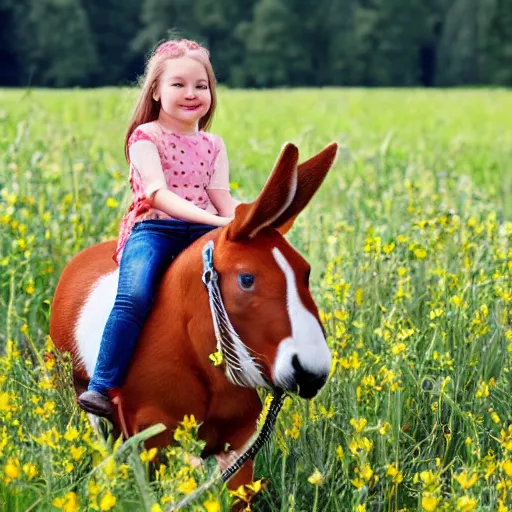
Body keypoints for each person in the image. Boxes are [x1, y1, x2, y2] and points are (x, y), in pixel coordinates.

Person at [78, 39, 238, 418]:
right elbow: (158, 195)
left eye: (201, 86)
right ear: (155, 90)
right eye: (178, 84)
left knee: (244, 287)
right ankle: (102, 384)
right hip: (156, 230)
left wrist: (239, 221)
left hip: (201, 231)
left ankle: (243, 375)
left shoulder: (213, 144)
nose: (191, 93)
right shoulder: (145, 137)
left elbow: (221, 196)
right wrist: (218, 222)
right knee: (134, 295)